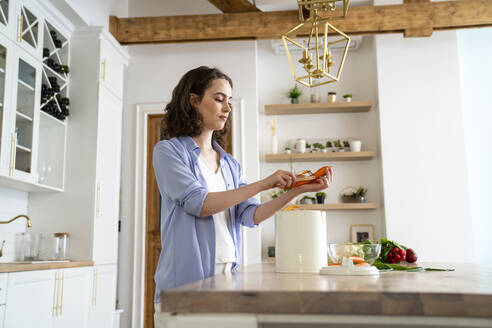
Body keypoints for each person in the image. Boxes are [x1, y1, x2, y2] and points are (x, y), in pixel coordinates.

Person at [152, 66, 332, 325]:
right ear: (193, 101)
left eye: (230, 101)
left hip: (227, 282)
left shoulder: (229, 164)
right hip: (184, 288)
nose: (227, 108)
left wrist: (297, 190)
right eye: (218, 98)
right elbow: (199, 204)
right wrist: (263, 184)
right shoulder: (169, 152)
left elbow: (251, 215)